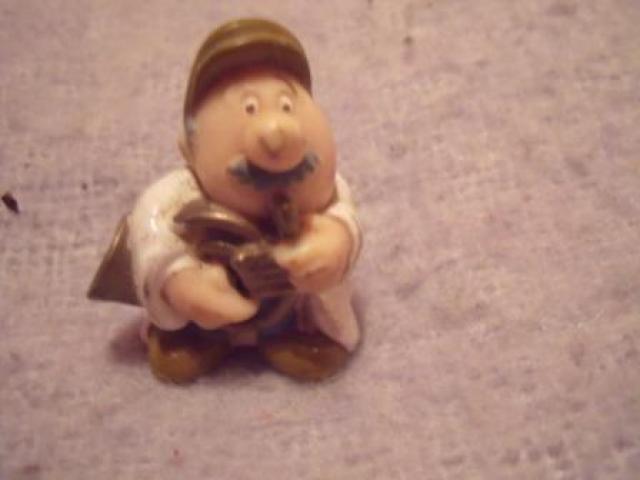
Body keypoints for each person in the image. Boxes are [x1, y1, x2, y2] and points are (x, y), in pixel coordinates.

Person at [89, 18, 362, 383]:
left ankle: (295, 335)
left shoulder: (326, 190)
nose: (276, 135)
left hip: (287, 310)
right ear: (189, 147)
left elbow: (344, 215)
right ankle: (195, 339)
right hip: (203, 317)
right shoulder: (175, 196)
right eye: (250, 108)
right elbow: (150, 235)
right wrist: (181, 283)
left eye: (286, 105)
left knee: (313, 309)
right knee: (185, 326)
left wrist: (336, 242)